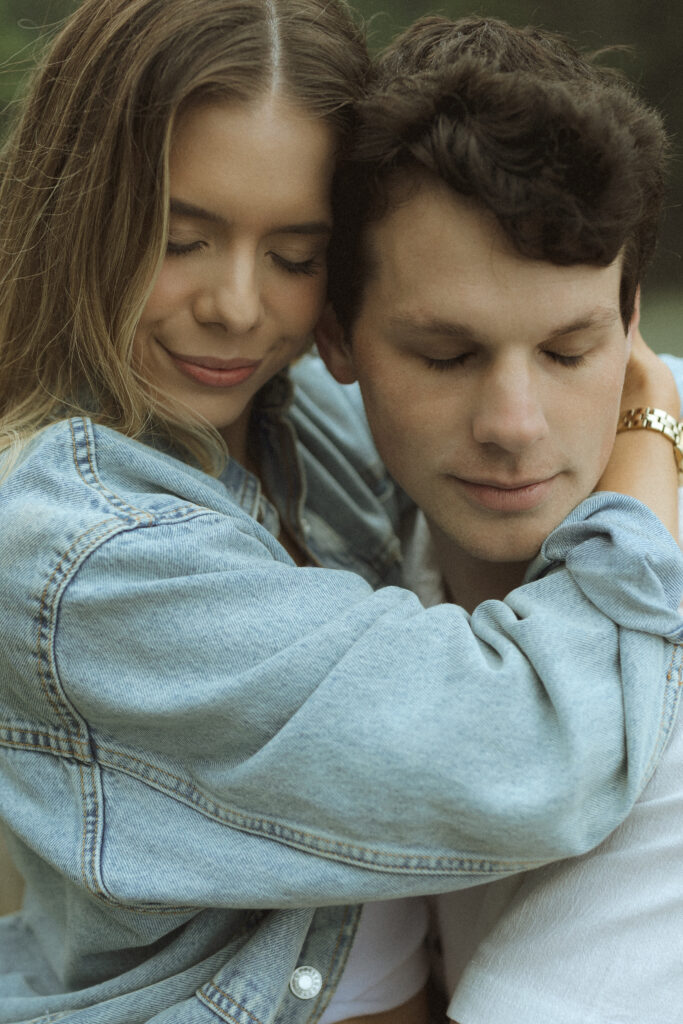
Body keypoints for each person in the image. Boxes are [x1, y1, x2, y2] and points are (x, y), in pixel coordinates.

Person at [0, 1, 681, 1021]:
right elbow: (528, 755)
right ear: (80, 213)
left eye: (293, 255)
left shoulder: (283, 414)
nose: (237, 305)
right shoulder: (74, 550)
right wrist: (647, 432)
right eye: (180, 238)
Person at [317, 15, 683, 1023]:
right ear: (334, 339)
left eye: (569, 351)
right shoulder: (326, 576)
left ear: (629, 321)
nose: (513, 427)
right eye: (445, 355)